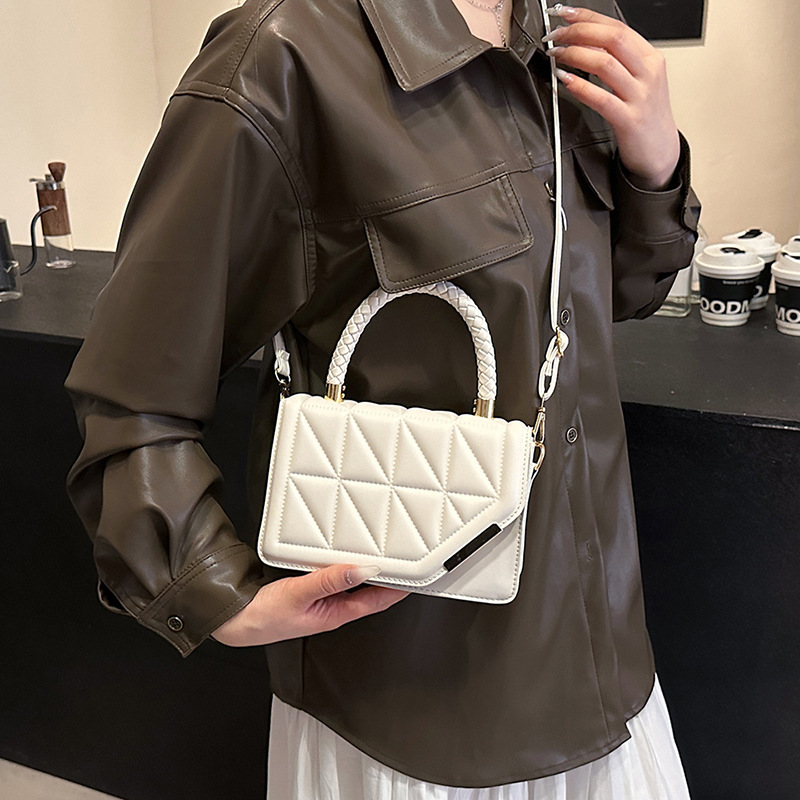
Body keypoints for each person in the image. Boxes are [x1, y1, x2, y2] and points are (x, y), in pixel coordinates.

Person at [65, 0, 700, 797]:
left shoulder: (571, 22)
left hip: (603, 656)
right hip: (411, 701)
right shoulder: (283, 57)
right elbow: (134, 385)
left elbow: (609, 298)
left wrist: (654, 164)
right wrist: (207, 588)